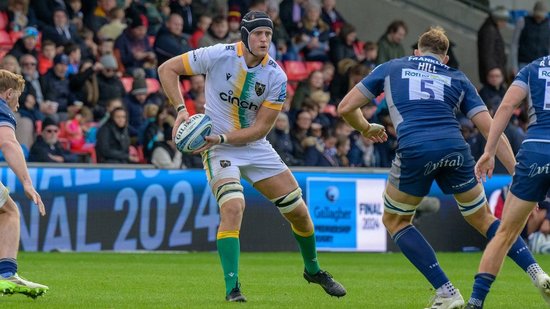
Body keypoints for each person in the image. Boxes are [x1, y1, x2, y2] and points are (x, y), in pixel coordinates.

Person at [338, 26, 547, 309]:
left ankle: (447, 291)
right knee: (484, 219)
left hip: (416, 148)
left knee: (395, 220)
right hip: (455, 149)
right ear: (445, 58)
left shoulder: (392, 67)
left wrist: (366, 127)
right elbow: (490, 128)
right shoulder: (457, 77)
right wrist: (515, 172)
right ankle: (538, 273)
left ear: (416, 52)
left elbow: (346, 107)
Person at [158, 11, 346, 302]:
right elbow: (167, 69)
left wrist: (221, 137)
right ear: (245, 36)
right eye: (258, 34)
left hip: (252, 145)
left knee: (300, 214)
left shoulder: (276, 76)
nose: (264, 39)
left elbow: (259, 130)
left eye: (268, 35)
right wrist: (181, 110)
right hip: (218, 149)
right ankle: (232, 288)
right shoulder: (217, 54)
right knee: (234, 207)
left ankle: (313, 270)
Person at [464, 55, 550, 308]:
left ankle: (476, 301)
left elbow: (504, 108)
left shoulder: (533, 69)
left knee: (505, 233)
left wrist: (489, 151)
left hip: (535, 151)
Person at [0, 69, 48, 298]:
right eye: (17, 97)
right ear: (9, 93)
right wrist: (27, 183)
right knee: (9, 212)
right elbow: (8, 143)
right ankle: (6, 274)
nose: (17, 105)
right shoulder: (2, 109)